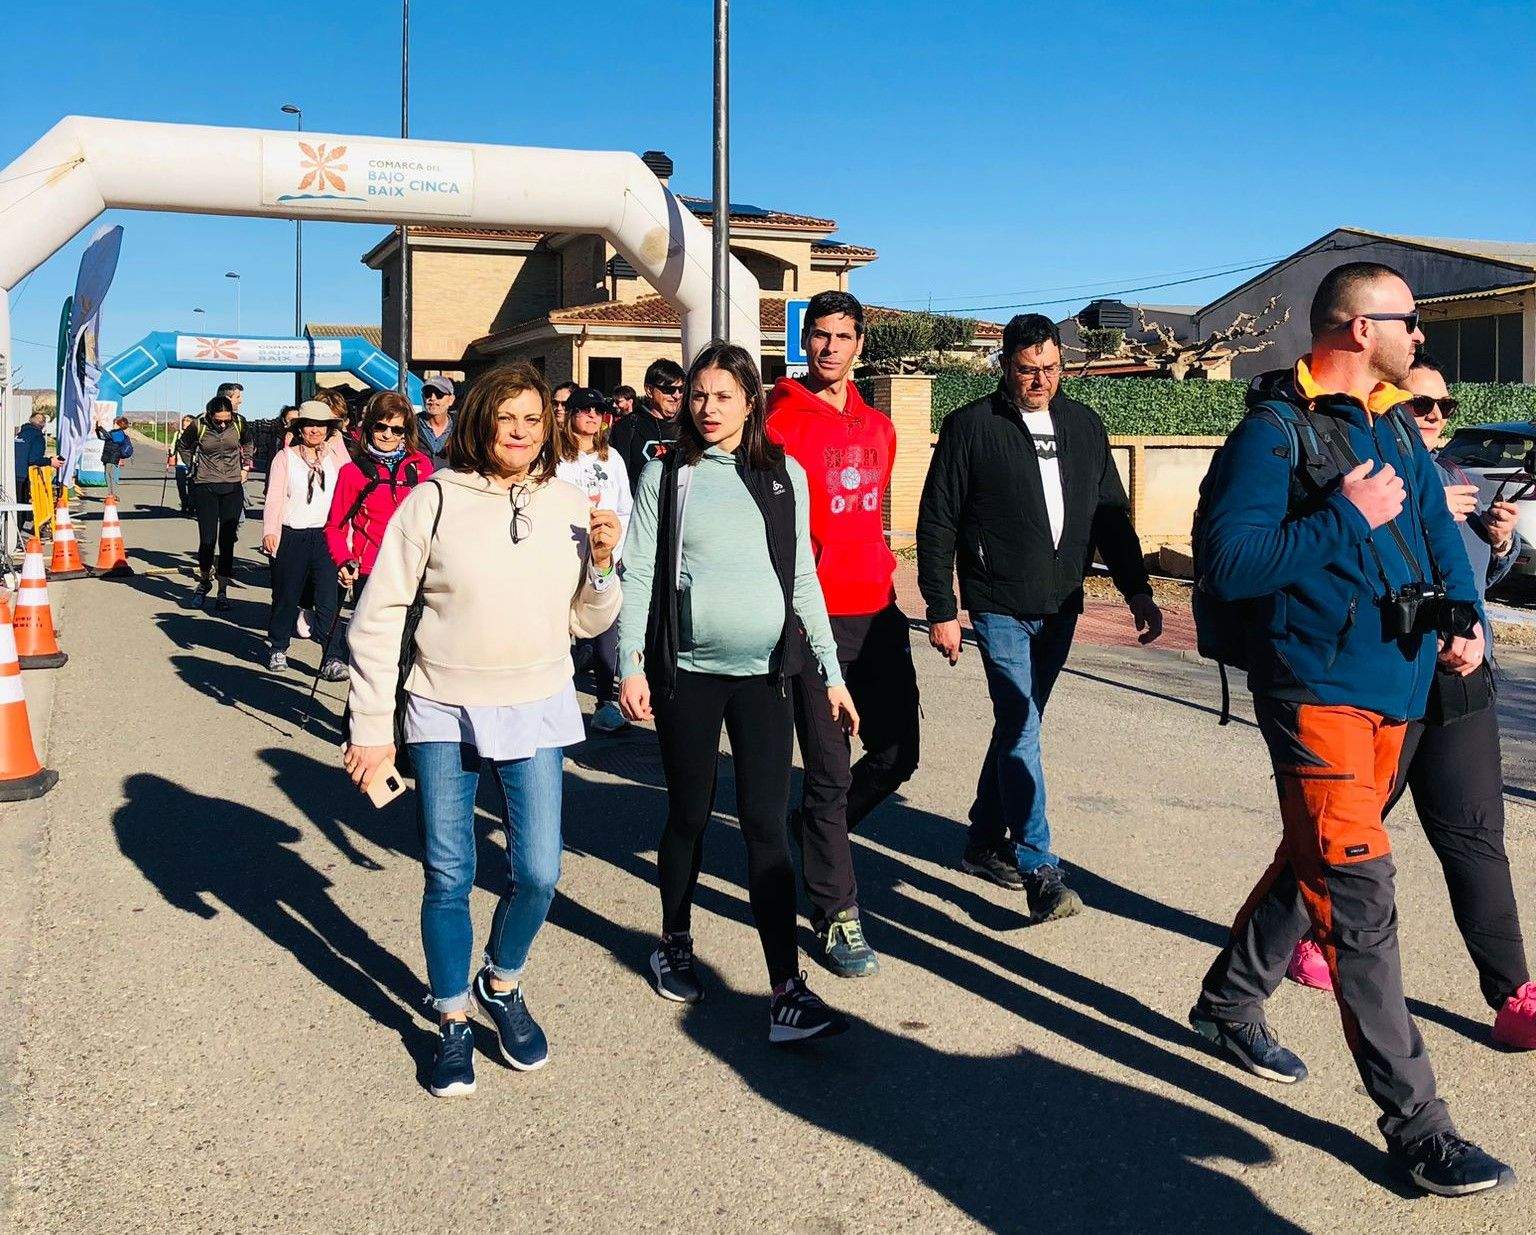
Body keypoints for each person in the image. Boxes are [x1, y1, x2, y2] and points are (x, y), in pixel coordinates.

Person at [1190, 263, 1513, 1197]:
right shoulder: (1272, 432)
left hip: (1399, 690)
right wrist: (1341, 516)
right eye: (1409, 319)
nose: (1421, 335)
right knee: (1360, 894)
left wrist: (1464, 616)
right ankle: (1421, 1127)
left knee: (1319, 859)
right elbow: (1231, 561)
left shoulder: (1392, 423)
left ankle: (1228, 1001)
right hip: (1317, 690)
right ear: (1358, 327)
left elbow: (1439, 535)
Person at [343, 361, 621, 1097]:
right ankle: (452, 1019)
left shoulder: (569, 502)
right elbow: (378, 617)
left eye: (532, 419)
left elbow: (587, 619)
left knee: (539, 871)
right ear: (479, 422)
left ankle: (501, 979)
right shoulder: (434, 499)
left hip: (536, 702)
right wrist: (371, 727)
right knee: (449, 873)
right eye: (506, 418)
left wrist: (602, 565)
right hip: (441, 703)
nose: (520, 432)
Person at [1282, 353, 1536, 1051]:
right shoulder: (1356, 475)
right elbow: (1332, 567)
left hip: (1460, 681)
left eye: (1444, 408)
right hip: (1386, 682)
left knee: (1475, 834)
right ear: (1390, 406)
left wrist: (1499, 542)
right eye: (1421, 405)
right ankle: (1283, 951)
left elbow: (1479, 580)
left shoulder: (1457, 478)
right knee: (1339, 831)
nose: (1434, 417)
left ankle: (1514, 993)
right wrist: (1421, 517)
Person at [618, 341, 855, 1044]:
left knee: (765, 825)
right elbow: (639, 572)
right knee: (690, 813)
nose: (708, 407)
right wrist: (631, 663)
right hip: (687, 675)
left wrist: (832, 674)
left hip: (766, 677)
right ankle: (673, 941)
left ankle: (786, 989)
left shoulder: (783, 474)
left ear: (751, 401)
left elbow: (802, 578)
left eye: (723, 395)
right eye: (698, 394)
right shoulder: (669, 473)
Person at [916, 313, 1162, 918]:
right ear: (1005, 366)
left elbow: (1110, 518)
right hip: (997, 602)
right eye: (1028, 370)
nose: (1040, 381)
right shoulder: (972, 425)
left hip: (1060, 605)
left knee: (1016, 725)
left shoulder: (1084, 426)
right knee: (1022, 724)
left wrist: (1136, 590)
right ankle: (1039, 867)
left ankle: (982, 841)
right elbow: (938, 519)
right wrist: (942, 607)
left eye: (1050, 369)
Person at [765, 291, 919, 978]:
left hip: (878, 612)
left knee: (898, 753)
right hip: (813, 618)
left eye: (843, 336)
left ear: (860, 344)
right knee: (827, 771)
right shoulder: (777, 422)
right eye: (820, 335)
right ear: (806, 341)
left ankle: (814, 833)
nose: (830, 347)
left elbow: (870, 517)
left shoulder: (880, 428)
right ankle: (836, 912)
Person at [554, 387, 633, 735]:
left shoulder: (611, 458)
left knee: (605, 629)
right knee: (559, 628)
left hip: (604, 555)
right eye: (585, 409)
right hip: (564, 554)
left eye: (598, 411)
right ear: (570, 414)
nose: (592, 416)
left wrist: (616, 550)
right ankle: (556, 699)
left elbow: (625, 506)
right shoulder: (554, 456)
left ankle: (605, 703)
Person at [261, 402, 352, 676]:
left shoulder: (335, 457)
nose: (315, 430)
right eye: (309, 424)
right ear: (299, 428)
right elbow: (274, 498)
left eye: (321, 425)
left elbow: (349, 495)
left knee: (328, 600)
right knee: (286, 596)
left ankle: (331, 657)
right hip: (292, 535)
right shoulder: (285, 458)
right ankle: (278, 647)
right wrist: (270, 531)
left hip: (327, 537)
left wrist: (348, 541)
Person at [326, 390, 436, 593]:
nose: (387, 435)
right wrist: (343, 560)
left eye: (397, 430)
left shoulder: (421, 465)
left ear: (406, 432)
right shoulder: (353, 472)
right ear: (369, 426)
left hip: (414, 569)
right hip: (371, 570)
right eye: (380, 427)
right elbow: (334, 526)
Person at [178, 394, 252, 611]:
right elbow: (183, 446)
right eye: (218, 421)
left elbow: (248, 443)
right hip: (205, 486)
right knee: (208, 540)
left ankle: (223, 589)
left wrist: (245, 466)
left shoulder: (239, 423)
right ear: (209, 415)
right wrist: (192, 466)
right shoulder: (198, 425)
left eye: (226, 420)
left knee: (227, 541)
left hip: (232, 486)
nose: (222, 425)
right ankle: (204, 581)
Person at [609, 358, 686, 491]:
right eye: (669, 389)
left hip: (679, 502)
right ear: (650, 390)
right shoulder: (628, 426)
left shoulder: (688, 426)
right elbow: (617, 477)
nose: (677, 395)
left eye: (681, 389)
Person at [14, 410, 52, 516]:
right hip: (23, 476)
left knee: (12, 505)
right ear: (43, 424)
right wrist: (50, 461)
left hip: (10, 474)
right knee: (20, 507)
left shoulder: (19, 434)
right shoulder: (37, 437)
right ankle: (18, 524)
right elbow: (34, 459)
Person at [417, 375, 457, 468]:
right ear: (423, 397)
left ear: (451, 400)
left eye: (439, 394)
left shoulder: (461, 428)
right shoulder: (410, 426)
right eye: (428, 393)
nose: (433, 398)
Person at [98, 416, 133, 496]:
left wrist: (100, 428)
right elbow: (102, 437)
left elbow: (109, 436)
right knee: (108, 474)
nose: (113, 424)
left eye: (115, 423)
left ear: (119, 424)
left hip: (113, 457)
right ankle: (112, 494)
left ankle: (112, 494)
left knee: (109, 475)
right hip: (108, 456)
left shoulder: (119, 433)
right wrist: (97, 429)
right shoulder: (114, 432)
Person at [168, 415, 196, 514]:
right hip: (180, 463)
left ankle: (191, 506)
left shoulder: (196, 434)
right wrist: (171, 452)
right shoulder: (178, 434)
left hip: (192, 463)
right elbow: (172, 446)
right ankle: (184, 504)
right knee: (181, 486)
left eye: (188, 421)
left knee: (192, 486)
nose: (184, 422)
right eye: (184, 420)